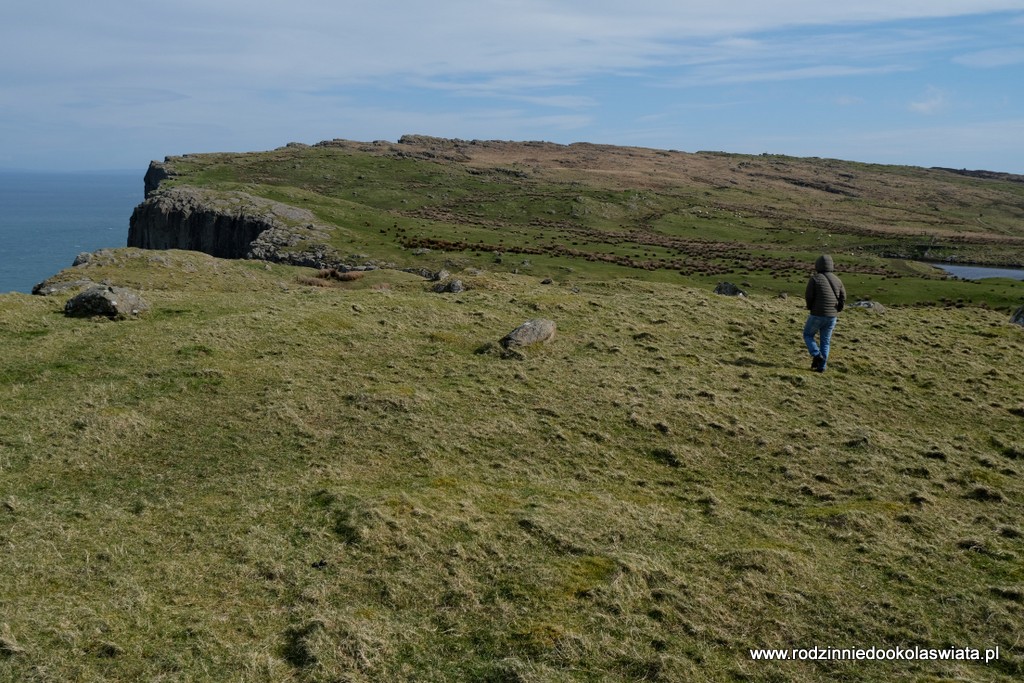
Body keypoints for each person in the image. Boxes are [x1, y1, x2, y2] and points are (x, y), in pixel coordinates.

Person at [803, 254, 846, 372]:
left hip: (817, 314)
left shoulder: (815, 279)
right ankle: (822, 367)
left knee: (807, 335)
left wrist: (810, 307)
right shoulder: (837, 280)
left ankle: (816, 355)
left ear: (818, 265)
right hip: (832, 316)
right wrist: (838, 309)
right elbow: (843, 297)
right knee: (825, 341)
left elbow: (809, 296)